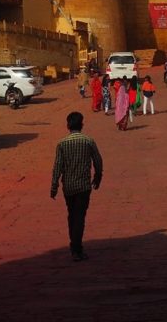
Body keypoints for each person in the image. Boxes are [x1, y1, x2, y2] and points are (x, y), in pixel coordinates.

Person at [50, 111, 103, 262]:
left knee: (71, 215)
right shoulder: (88, 141)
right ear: (82, 125)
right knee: (80, 217)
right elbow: (98, 161)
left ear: (68, 125)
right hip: (84, 186)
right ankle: (76, 248)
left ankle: (74, 246)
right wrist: (98, 177)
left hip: (68, 187)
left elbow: (57, 167)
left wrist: (54, 187)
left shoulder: (62, 143)